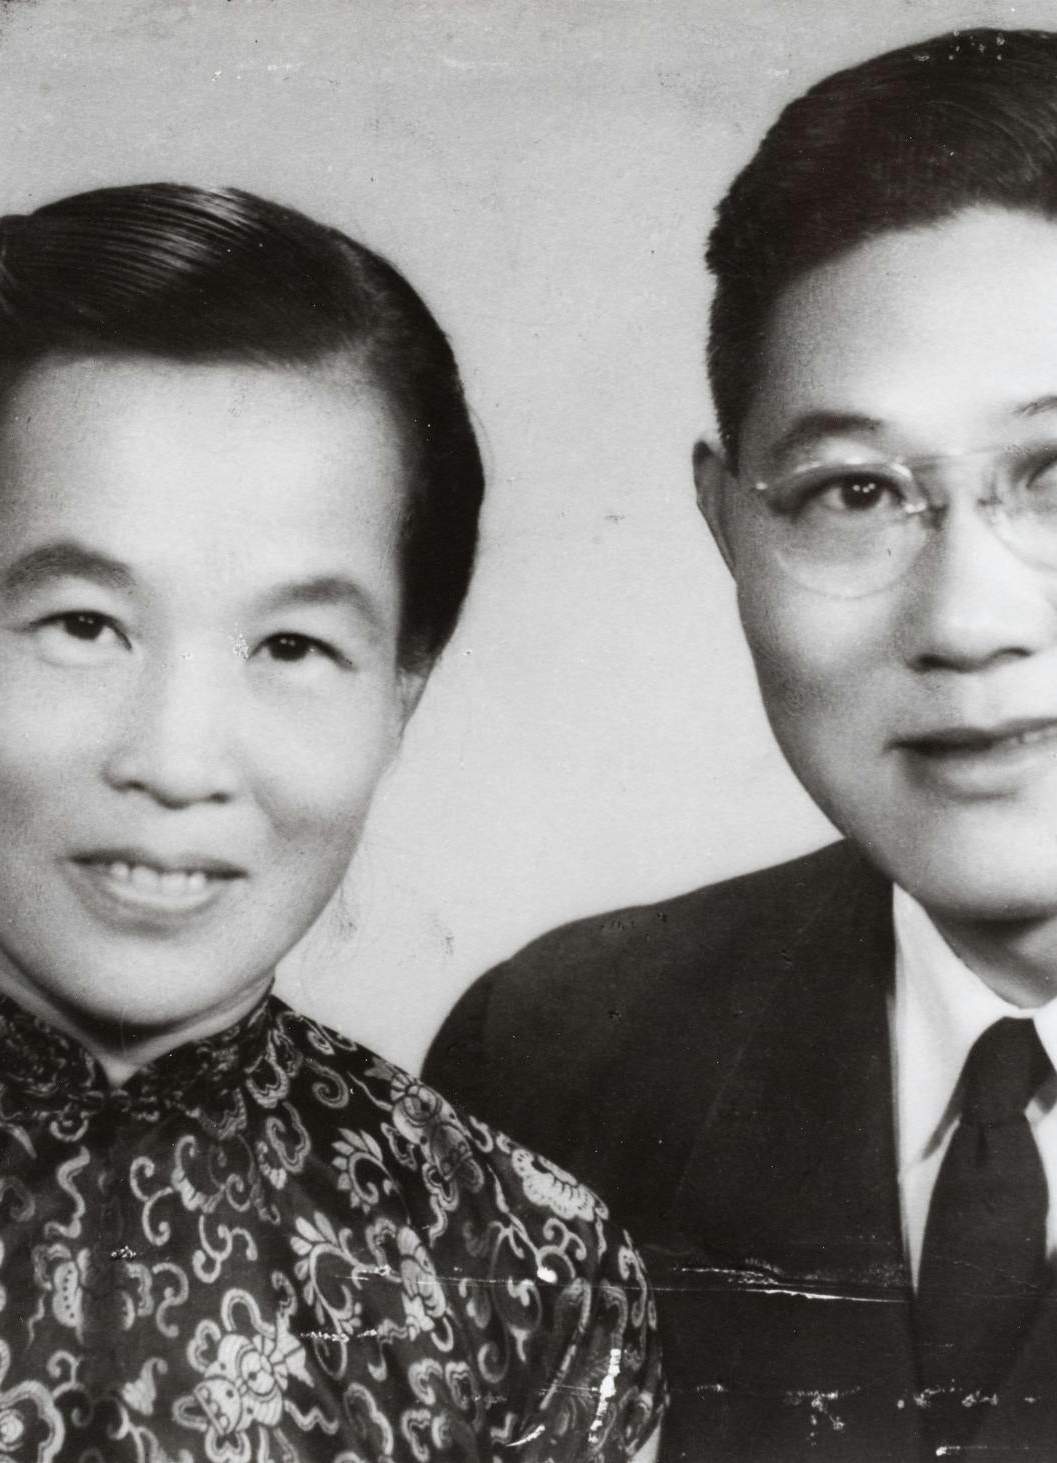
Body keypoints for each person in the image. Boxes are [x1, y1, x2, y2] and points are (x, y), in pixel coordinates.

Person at [0, 184, 662, 1461]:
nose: (176, 759)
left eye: (294, 643)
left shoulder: (530, 1276)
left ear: (399, 692)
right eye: (85, 625)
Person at [426, 26, 1057, 1463]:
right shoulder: (558, 1062)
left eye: (1056, 471)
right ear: (727, 526)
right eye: (852, 492)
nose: (965, 618)